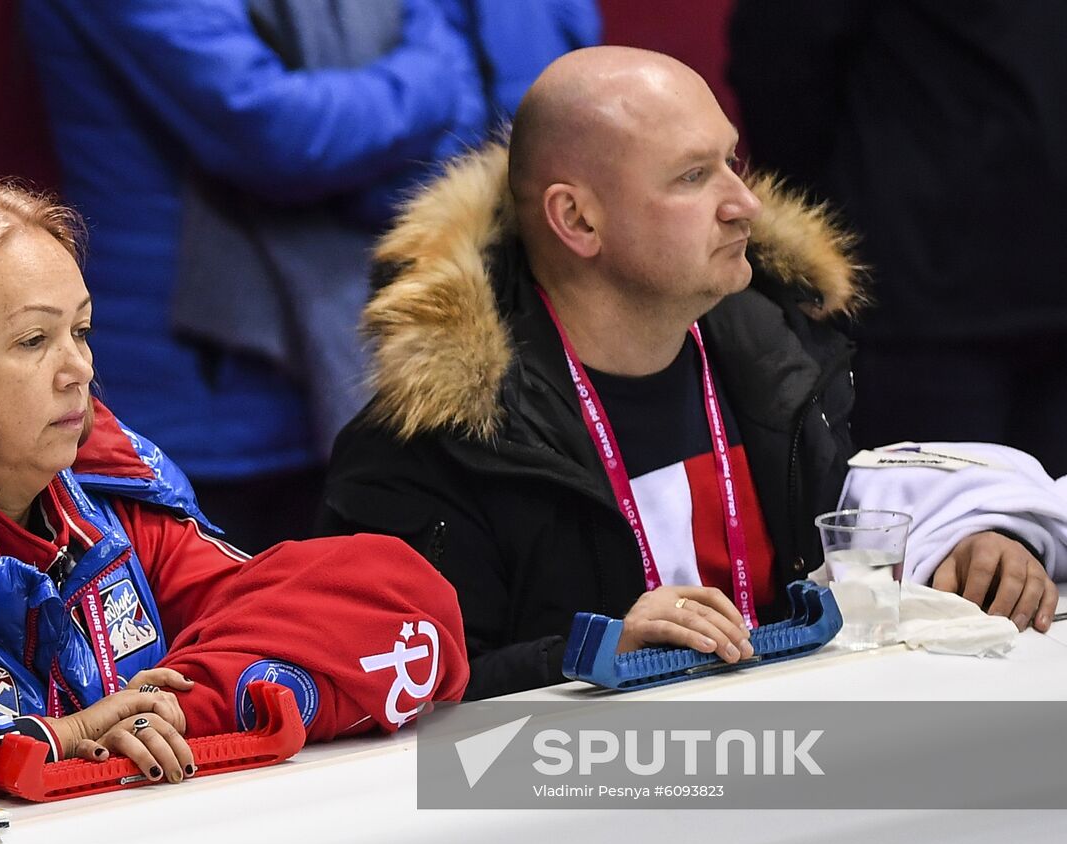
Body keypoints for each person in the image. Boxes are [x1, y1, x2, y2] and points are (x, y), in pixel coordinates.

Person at [0, 182, 467, 844]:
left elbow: (394, 603)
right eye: (34, 340)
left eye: (82, 330)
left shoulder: (110, 509)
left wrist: (170, 718)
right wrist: (65, 739)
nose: (80, 370)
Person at [316, 47, 1057, 701]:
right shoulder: (428, 445)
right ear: (577, 221)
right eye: (693, 176)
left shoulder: (784, 357)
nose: (745, 204)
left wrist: (967, 542)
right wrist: (582, 659)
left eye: (731, 161)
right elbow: (388, 700)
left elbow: (842, 562)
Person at [20, 0, 598, 552]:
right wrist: (437, 73)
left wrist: (392, 135)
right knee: (214, 631)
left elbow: (485, 122)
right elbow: (274, 129)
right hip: (198, 384)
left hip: (342, 363)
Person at [727, 1, 1067, 476]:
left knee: (1050, 532)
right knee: (931, 531)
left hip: (1023, 286)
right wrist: (827, 221)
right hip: (918, 300)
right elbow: (779, 64)